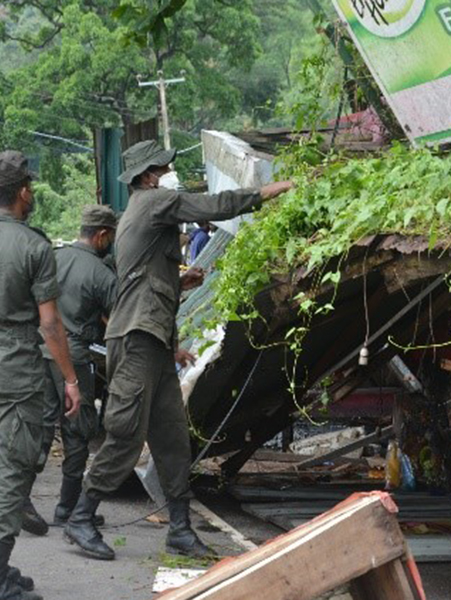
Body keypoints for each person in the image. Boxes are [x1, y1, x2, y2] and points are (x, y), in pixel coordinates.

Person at [63, 140, 293, 561]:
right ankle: (81, 516)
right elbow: (212, 206)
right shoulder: (153, 202)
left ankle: (181, 529)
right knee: (126, 436)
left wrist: (177, 296)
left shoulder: (144, 212)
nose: (170, 173)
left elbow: (143, 285)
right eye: (165, 168)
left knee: (171, 440)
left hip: (150, 340)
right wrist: (266, 192)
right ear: (149, 174)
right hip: (135, 341)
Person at [0, 150, 82, 600]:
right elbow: (49, 323)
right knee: (13, 476)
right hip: (18, 372)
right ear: (23, 192)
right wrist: (70, 379)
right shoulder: (35, 247)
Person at [24, 205, 117, 534]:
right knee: (77, 430)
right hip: (75, 356)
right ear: (102, 235)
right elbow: (120, 314)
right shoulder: (100, 272)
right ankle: (68, 507)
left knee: (43, 425)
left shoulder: (53, 258)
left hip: (41, 351)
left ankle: (21, 496)